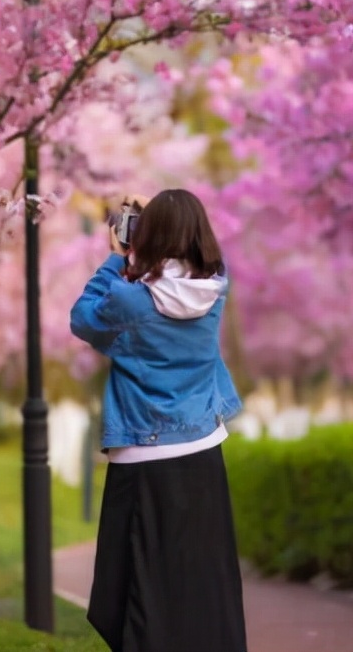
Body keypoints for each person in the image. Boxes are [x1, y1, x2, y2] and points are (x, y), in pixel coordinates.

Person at [70, 189, 248, 652]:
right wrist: (163, 216)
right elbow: (199, 262)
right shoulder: (217, 288)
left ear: (147, 236)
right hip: (203, 451)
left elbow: (83, 319)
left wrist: (115, 260)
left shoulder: (130, 300)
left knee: (134, 583)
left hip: (142, 456)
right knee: (200, 582)